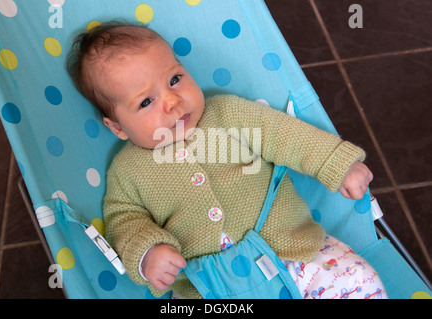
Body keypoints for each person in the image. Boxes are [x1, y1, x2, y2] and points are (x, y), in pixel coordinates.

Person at [67, 21, 387, 299]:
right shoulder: (127, 171)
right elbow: (124, 221)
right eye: (147, 101)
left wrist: (336, 163)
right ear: (117, 127)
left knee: (359, 282)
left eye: (175, 79)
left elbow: (283, 135)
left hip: (296, 252)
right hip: (211, 289)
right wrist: (147, 254)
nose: (173, 101)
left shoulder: (225, 114)